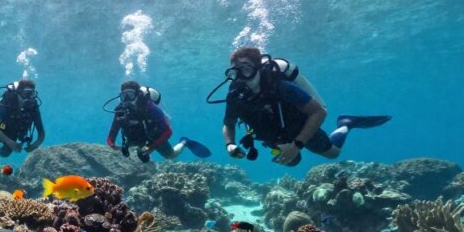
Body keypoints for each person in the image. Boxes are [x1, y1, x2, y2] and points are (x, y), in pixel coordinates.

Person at [212, 47, 391, 166]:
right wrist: (230, 144)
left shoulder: (280, 87)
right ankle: (292, 150)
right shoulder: (236, 94)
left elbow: (319, 111)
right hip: (275, 136)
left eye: (246, 69)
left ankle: (345, 124)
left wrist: (297, 144)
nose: (241, 77)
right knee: (292, 162)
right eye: (235, 72)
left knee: (333, 154)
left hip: (300, 129)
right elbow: (228, 123)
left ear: (258, 69)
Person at [104, 81, 210, 163]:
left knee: (171, 156)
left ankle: (184, 142)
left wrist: (151, 147)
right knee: (142, 157)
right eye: (124, 96)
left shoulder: (150, 107)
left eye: (130, 95)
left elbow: (168, 131)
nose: (127, 99)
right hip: (136, 138)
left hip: (155, 136)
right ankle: (142, 150)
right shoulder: (120, 110)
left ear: (137, 95)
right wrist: (112, 145)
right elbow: (113, 132)